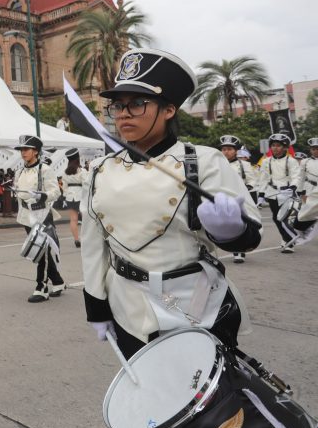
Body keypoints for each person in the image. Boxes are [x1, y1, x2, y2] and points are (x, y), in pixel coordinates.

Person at [81, 48, 262, 359]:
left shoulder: (202, 160)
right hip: (128, 306)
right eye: (118, 105)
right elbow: (94, 244)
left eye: (137, 104)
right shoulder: (100, 170)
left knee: (210, 403)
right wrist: (96, 307)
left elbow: (249, 235)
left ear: (168, 110)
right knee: (153, 400)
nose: (124, 114)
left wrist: (231, 232)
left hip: (195, 303)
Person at [14, 135, 64, 303]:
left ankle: (41, 287)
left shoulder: (45, 170)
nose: (23, 153)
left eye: (26, 149)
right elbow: (19, 190)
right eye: (21, 150)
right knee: (40, 250)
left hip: (42, 214)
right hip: (27, 215)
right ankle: (58, 281)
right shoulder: (20, 170)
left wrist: (42, 196)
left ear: (35, 151)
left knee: (41, 250)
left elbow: (55, 192)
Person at [257, 133, 302, 253]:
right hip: (272, 193)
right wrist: (261, 195)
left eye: (278, 146)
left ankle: (289, 242)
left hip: (286, 192)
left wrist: (292, 187)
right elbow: (263, 179)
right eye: (273, 145)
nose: (275, 148)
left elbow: (296, 176)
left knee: (286, 218)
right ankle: (285, 238)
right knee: (276, 218)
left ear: (285, 148)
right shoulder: (266, 161)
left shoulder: (291, 161)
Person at [219, 135, 258, 263]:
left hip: (240, 198)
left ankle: (239, 251)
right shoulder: (217, 165)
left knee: (242, 224)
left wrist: (247, 186)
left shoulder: (244, 165)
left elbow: (252, 180)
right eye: (224, 149)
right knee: (230, 225)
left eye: (230, 149)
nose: (226, 152)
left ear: (236, 151)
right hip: (225, 198)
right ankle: (236, 248)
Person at [60, 149, 86, 249]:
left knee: (73, 220)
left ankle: (76, 239)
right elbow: (86, 184)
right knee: (85, 220)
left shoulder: (65, 172)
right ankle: (85, 239)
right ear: (77, 159)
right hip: (81, 196)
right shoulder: (82, 171)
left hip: (70, 197)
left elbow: (64, 186)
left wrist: (67, 194)